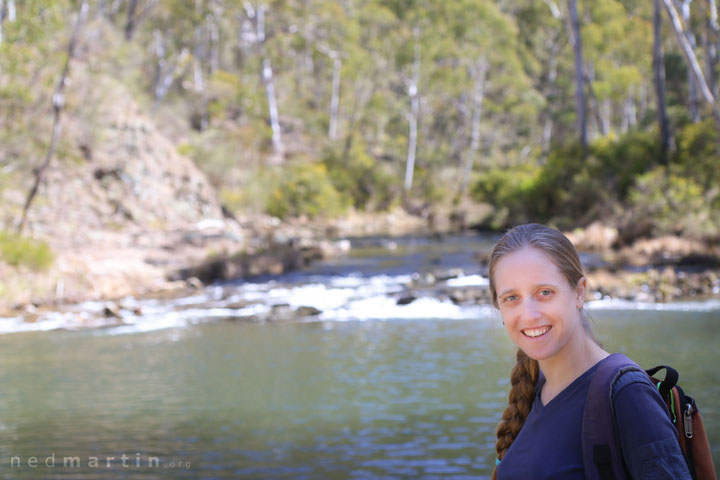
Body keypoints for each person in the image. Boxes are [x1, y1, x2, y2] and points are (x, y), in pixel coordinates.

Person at [488, 223, 691, 480]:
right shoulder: (534, 388)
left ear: (579, 293)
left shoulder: (627, 395)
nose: (528, 315)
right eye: (512, 298)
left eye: (544, 292)